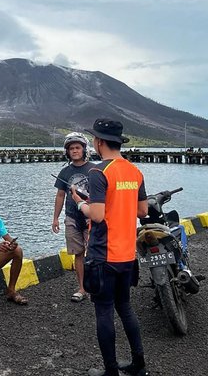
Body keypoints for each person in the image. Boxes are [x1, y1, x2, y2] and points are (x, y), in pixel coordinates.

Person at [72, 119, 149, 376]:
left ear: (99, 142)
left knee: (104, 311)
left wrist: (80, 203)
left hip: (103, 254)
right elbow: (142, 210)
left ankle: (111, 370)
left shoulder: (99, 172)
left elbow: (96, 215)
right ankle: (138, 364)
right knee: (125, 308)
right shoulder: (134, 172)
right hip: (127, 254)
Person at [52, 132, 95, 302]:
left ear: (84, 149)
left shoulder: (94, 169)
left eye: (78, 148)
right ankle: (82, 288)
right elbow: (60, 196)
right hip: (71, 217)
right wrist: (55, 218)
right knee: (78, 253)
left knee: (95, 252)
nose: (75, 151)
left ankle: (98, 285)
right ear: (67, 152)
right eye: (71, 148)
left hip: (91, 216)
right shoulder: (65, 172)